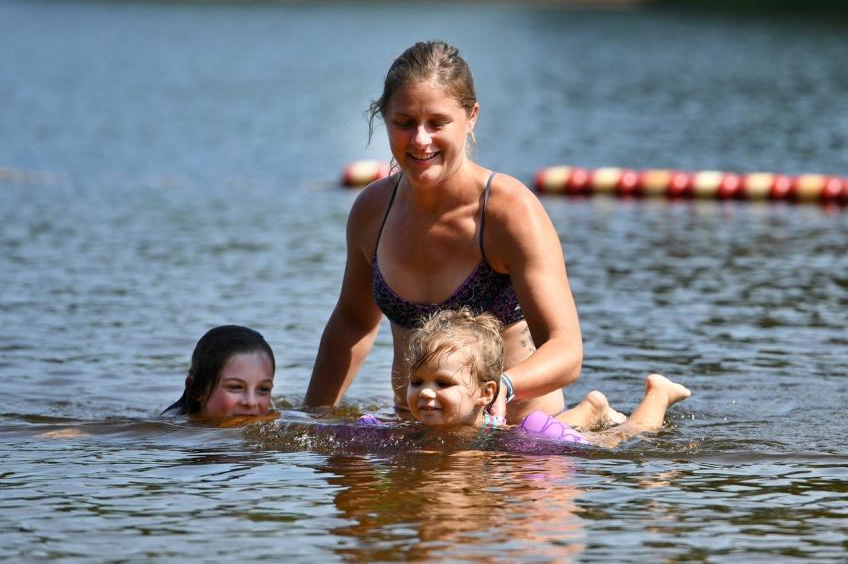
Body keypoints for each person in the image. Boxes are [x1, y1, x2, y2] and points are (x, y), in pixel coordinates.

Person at [306, 40, 588, 423]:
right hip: (414, 430)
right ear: (383, 118)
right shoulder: (372, 211)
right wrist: (313, 419)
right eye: (404, 123)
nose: (420, 140)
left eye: (437, 123)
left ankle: (592, 414)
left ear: (471, 117)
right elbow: (352, 323)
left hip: (514, 433)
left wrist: (502, 387)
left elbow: (567, 351)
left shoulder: (509, 212)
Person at [396, 309, 690, 446]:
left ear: (486, 393)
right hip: (517, 432)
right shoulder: (413, 436)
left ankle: (658, 394)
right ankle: (591, 408)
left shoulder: (504, 442)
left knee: (619, 436)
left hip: (526, 437)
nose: (425, 392)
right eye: (418, 381)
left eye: (443, 383)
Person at [164, 325, 279, 425]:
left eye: (263, 389)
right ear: (197, 390)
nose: (251, 402)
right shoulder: (171, 430)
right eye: (236, 387)